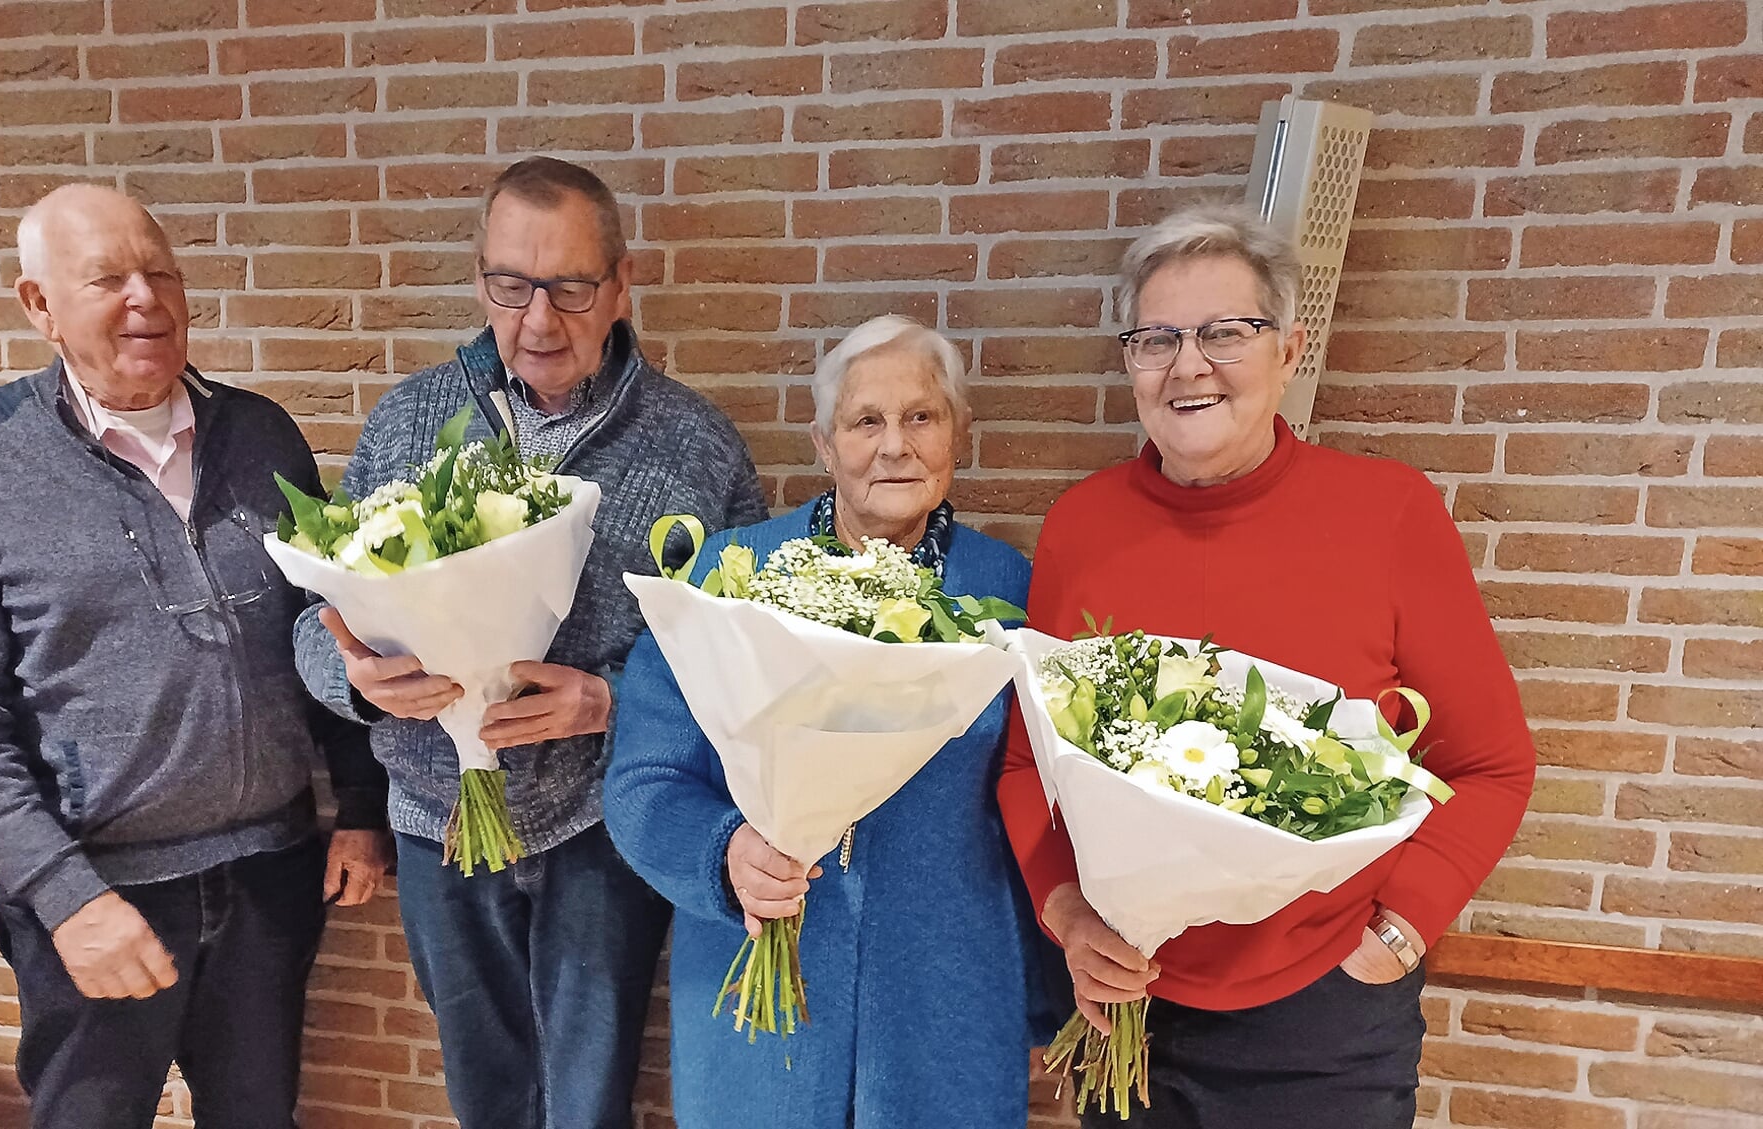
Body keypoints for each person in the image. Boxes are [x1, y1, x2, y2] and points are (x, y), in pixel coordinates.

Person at [998, 204, 1536, 1129]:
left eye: (1224, 333)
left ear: (1288, 350)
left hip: (1324, 1018)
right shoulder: (1081, 527)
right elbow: (1026, 767)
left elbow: (1489, 764)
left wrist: (1396, 934)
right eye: (1155, 338)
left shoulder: (1386, 515)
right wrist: (1070, 922)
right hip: (1128, 1007)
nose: (1188, 364)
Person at [0, 184, 390, 1129]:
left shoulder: (262, 433)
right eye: (107, 279)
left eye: (160, 272)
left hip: (268, 875)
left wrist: (359, 805)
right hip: (97, 890)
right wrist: (64, 894)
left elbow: (332, 627)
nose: (145, 299)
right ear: (39, 305)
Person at [293, 156, 767, 1129]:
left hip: (606, 821)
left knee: (586, 1097)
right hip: (435, 817)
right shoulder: (409, 421)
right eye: (511, 286)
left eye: (570, 287)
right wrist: (353, 675)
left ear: (621, 285)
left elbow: (741, 646)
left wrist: (611, 699)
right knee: (483, 1090)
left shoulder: (695, 443)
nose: (539, 321)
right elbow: (313, 614)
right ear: (479, 281)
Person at [604, 315, 1054, 1128]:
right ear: (822, 443)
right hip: (756, 997)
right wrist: (723, 855)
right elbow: (645, 779)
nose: (895, 446)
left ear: (958, 434)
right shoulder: (728, 576)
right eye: (865, 421)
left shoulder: (1009, 592)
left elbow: (1046, 802)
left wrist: (1049, 980)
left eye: (921, 416)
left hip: (943, 1006)